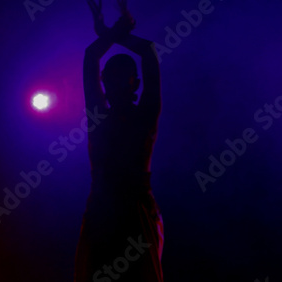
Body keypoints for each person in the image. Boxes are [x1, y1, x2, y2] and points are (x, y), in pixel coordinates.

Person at [74, 1, 164, 281]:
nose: (112, 84)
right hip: (103, 212)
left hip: (134, 212)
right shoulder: (99, 116)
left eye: (119, 78)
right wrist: (115, 31)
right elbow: (91, 58)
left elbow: (148, 52)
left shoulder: (144, 115)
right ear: (103, 81)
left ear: (134, 83)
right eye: (108, 79)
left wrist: (112, 32)